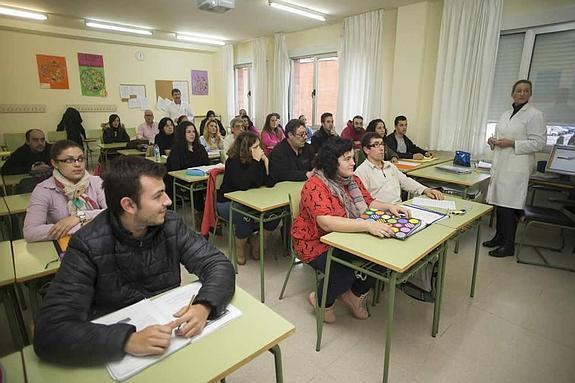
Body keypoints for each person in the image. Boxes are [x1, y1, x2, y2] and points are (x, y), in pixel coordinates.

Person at [33, 156, 235, 365]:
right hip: (117, 343)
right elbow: (50, 331)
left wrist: (204, 306)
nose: (168, 201)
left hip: (170, 332)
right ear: (129, 205)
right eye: (158, 196)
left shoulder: (170, 224)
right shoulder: (87, 245)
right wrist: (127, 340)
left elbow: (217, 264)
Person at [291, 136, 410, 323]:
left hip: (347, 237)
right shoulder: (315, 184)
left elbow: (368, 202)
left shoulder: (351, 180)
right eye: (347, 159)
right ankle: (321, 300)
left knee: (379, 260)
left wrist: (389, 207)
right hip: (314, 241)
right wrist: (367, 225)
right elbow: (326, 222)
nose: (353, 163)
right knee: (343, 272)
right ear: (332, 161)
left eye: (352, 158)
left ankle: (354, 297)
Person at [484, 80, 546, 258]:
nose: (522, 93)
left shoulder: (535, 115)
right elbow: (499, 136)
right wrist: (492, 141)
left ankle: (508, 245)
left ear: (530, 94)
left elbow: (539, 144)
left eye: (526, 91)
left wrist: (513, 143)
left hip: (517, 167)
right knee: (500, 205)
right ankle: (498, 237)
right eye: (518, 90)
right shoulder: (505, 114)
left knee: (510, 207)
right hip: (501, 164)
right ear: (513, 93)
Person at [23, 140, 106, 242]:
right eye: (69, 160)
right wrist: (81, 226)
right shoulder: (44, 190)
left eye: (81, 159)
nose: (77, 164)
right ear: (54, 163)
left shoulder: (96, 182)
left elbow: (114, 212)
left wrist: (79, 217)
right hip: (66, 244)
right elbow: (31, 232)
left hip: (99, 239)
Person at [217, 132, 278, 265]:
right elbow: (243, 185)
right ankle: (240, 248)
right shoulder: (233, 162)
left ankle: (257, 243)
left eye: (259, 146)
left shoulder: (258, 161)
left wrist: (267, 164)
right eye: (256, 147)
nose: (260, 150)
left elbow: (269, 183)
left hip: (251, 201)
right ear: (246, 148)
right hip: (228, 202)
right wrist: (256, 162)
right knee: (245, 216)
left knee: (275, 214)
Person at [355, 133, 443, 204]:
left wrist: (425, 189)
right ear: (366, 150)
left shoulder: (390, 166)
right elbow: (364, 201)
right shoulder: (361, 172)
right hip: (380, 212)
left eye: (382, 144)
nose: (381, 148)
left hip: (399, 207)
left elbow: (406, 181)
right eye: (376, 145)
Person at [166, 121, 209, 211]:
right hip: (183, 183)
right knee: (197, 192)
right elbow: (176, 171)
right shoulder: (176, 150)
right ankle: (200, 215)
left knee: (214, 187)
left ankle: (212, 215)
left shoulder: (200, 148)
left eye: (193, 132)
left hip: (200, 180)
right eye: (188, 132)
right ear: (182, 134)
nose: (192, 134)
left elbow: (206, 164)